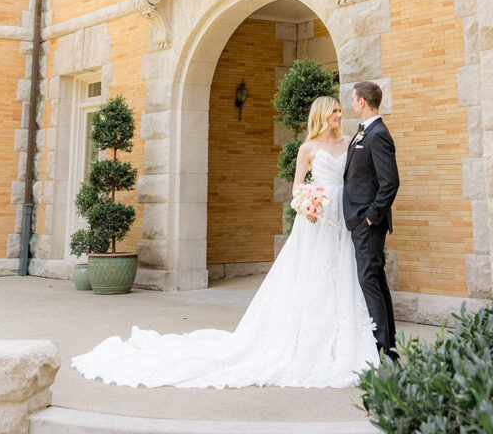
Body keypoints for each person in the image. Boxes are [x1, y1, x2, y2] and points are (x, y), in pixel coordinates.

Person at [71, 95, 379, 388]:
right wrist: (309, 202)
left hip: (343, 213)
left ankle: (341, 337)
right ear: (322, 114)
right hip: (316, 218)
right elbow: (298, 187)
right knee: (312, 274)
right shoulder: (307, 148)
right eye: (335, 111)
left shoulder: (349, 143)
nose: (340, 116)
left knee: (342, 270)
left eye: (341, 110)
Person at [343, 81, 400, 357]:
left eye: (353, 100)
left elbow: (390, 182)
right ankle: (388, 344)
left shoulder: (378, 134)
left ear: (362, 102)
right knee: (375, 278)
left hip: (368, 223)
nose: (351, 104)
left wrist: (371, 217)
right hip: (360, 220)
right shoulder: (363, 132)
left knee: (369, 280)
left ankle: (382, 347)